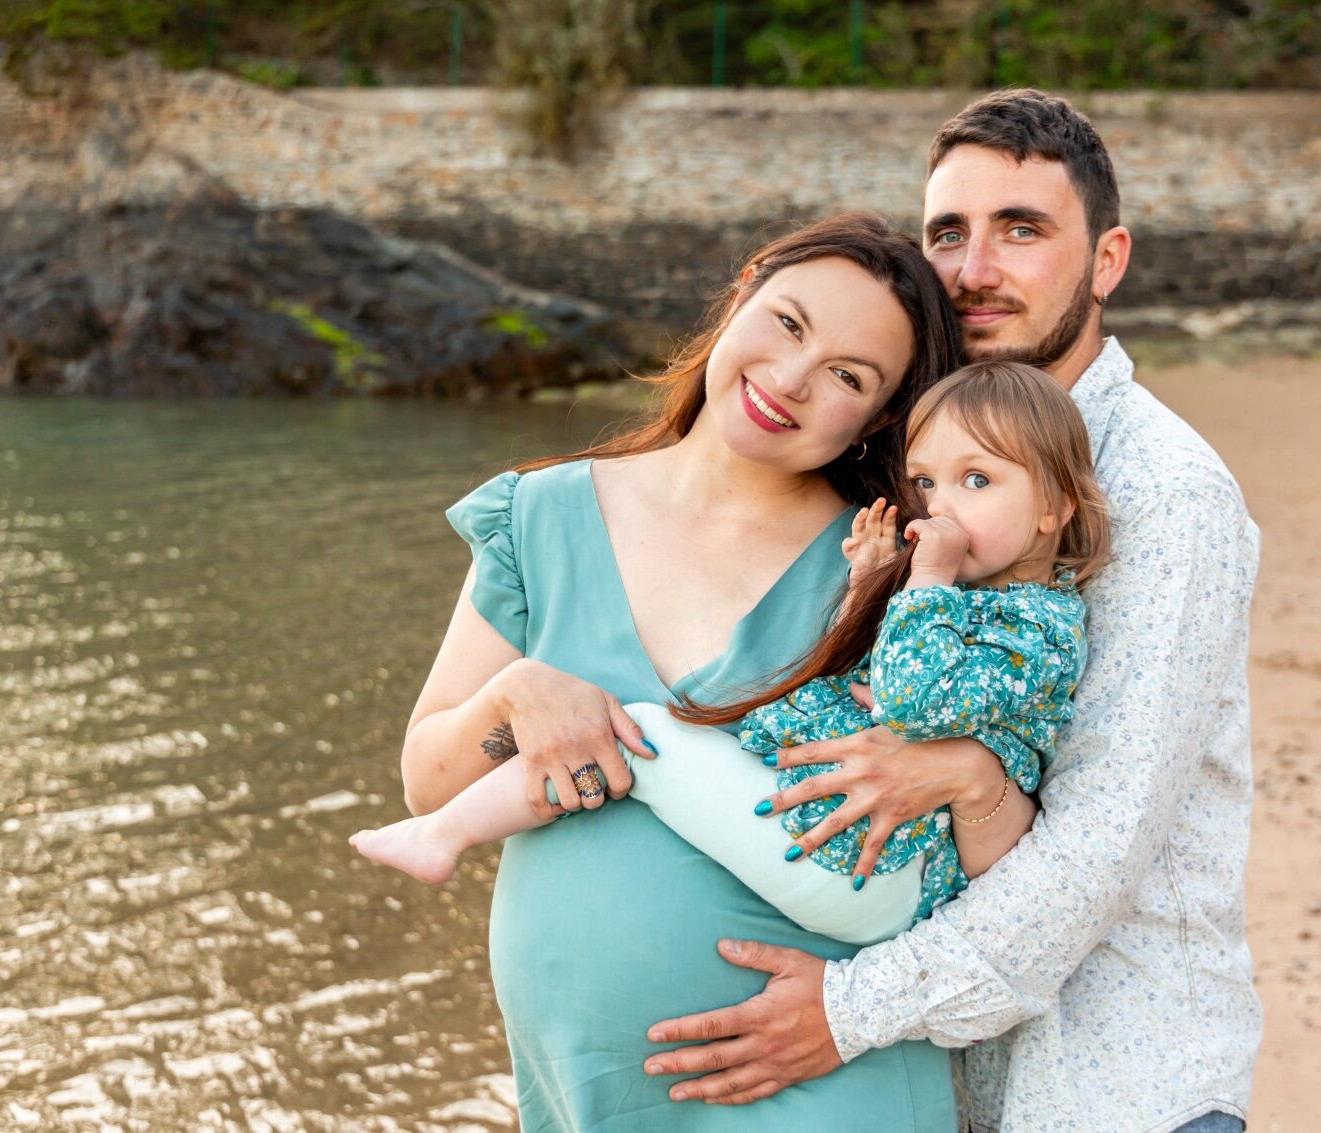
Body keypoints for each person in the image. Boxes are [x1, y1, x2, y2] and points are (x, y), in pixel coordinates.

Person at [639, 90, 1263, 1133]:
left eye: (1020, 230)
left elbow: (1099, 843)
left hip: (1112, 1084)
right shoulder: (915, 455)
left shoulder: (1162, 493)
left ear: (1105, 260)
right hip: (931, 1081)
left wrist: (842, 1012)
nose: (973, 270)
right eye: (947, 233)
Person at [391, 210, 986, 1131]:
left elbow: (993, 831)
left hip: (820, 1084)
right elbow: (428, 779)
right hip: (590, 1090)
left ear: (878, 419)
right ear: (744, 289)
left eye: (847, 377)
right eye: (788, 324)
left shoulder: (891, 568)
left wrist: (858, 1002)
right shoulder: (540, 516)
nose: (789, 380)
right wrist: (515, 696)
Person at [353, 361, 1108, 949]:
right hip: (847, 840)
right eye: (926, 481)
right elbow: (868, 680)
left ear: (1054, 506)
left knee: (637, 736)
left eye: (978, 480)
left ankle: (445, 834)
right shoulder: (971, 599)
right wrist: (871, 586)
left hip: (877, 869)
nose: (940, 506)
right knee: (649, 736)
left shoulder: (1039, 630)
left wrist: (927, 577)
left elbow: (911, 701)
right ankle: (447, 827)